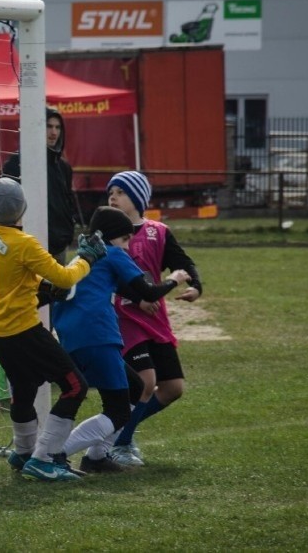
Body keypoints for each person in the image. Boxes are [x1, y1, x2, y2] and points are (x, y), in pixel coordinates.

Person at [0, 177, 107, 482]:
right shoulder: (24, 243)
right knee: (75, 386)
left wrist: (43, 288)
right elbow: (65, 277)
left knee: (23, 388)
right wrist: (87, 258)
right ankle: (44, 457)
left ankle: (24, 451)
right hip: (22, 329)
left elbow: (15, 275)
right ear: (22, 208)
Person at [51, 206, 190, 474]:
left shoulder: (84, 255)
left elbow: (121, 289)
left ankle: (96, 457)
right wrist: (175, 278)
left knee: (135, 389)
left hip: (72, 336)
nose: (128, 247)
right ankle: (54, 454)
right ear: (112, 237)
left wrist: (136, 298)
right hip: (97, 335)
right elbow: (151, 292)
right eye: (126, 239)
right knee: (119, 409)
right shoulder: (112, 253)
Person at [106, 170, 204, 467]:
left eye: (120, 192)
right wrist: (138, 297)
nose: (112, 197)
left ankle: (119, 433)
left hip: (156, 322)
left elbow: (183, 263)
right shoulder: (106, 233)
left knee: (173, 388)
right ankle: (119, 444)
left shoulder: (157, 231)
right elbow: (106, 275)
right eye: (110, 193)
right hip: (125, 319)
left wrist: (195, 287)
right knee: (146, 382)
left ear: (137, 198)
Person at [2, 108, 81, 263]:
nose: (53, 132)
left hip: (59, 244)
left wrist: (68, 230)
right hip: (28, 244)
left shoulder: (63, 166)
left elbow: (67, 201)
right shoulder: (17, 162)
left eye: (57, 127)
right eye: (48, 126)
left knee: (60, 286)